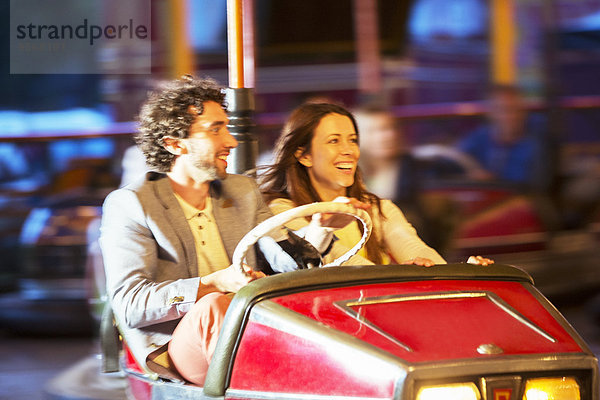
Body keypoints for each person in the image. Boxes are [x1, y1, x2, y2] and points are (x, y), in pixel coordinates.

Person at [99, 76, 352, 386]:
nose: (231, 142)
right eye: (215, 129)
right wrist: (214, 282)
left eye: (227, 128)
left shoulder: (242, 191)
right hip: (177, 347)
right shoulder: (133, 204)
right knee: (214, 305)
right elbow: (131, 304)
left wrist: (320, 229)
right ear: (175, 143)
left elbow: (284, 262)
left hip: (253, 328)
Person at [260, 103, 492, 267]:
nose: (348, 150)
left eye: (352, 140)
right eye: (334, 141)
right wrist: (403, 277)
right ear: (304, 156)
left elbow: (415, 250)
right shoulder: (282, 211)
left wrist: (459, 274)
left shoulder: (376, 207)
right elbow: (342, 263)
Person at [457, 84, 550, 191]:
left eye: (515, 109)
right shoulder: (479, 138)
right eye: (502, 110)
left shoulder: (536, 143)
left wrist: (492, 181)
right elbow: (457, 159)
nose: (511, 116)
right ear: (490, 113)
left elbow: (533, 186)